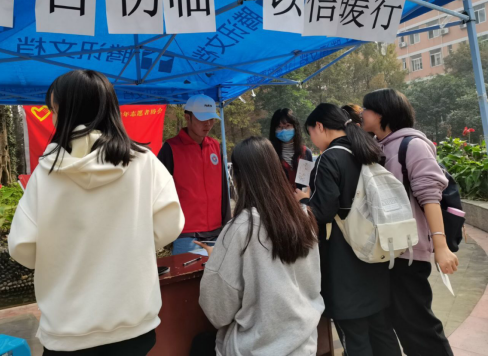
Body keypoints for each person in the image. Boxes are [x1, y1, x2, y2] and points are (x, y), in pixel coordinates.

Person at [8, 70, 185, 355]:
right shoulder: (144, 162)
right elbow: (170, 225)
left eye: (54, 110)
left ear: (68, 113)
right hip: (133, 324)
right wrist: (132, 242)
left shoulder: (46, 173)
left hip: (67, 332)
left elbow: (22, 248)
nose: (53, 117)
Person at [195, 137, 324, 356]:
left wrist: (218, 259)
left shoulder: (241, 229)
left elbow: (217, 310)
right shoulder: (304, 217)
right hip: (305, 344)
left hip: (254, 347)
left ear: (239, 177)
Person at [296, 103, 401, 356]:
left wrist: (303, 200)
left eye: (311, 133)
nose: (312, 140)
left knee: (355, 338)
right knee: (382, 331)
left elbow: (323, 212)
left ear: (319, 126)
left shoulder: (329, 158)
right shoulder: (366, 150)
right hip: (376, 254)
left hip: (344, 262)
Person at [362, 88, 457, 356]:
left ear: (382, 113)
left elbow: (430, 196)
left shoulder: (412, 145)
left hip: (410, 252)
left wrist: (440, 247)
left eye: (366, 109)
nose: (362, 113)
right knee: (402, 323)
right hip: (389, 250)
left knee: (418, 326)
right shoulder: (379, 146)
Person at [158, 95, 231, 255]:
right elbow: (159, 191)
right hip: (186, 234)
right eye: (202, 118)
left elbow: (224, 188)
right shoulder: (170, 148)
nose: (208, 124)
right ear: (187, 117)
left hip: (217, 231)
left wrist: (227, 224)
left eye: (211, 119)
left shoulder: (216, 146)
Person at [269, 108, 313, 188]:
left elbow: (305, 183)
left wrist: (303, 195)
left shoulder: (305, 153)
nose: (284, 130)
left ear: (295, 127)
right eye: (279, 127)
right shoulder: (269, 153)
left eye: (288, 126)